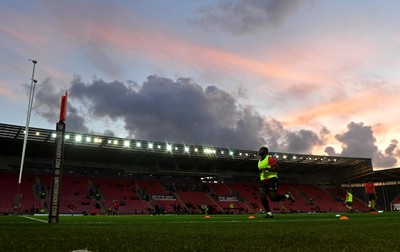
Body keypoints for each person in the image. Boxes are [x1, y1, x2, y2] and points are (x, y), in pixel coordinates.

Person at [257, 146, 295, 218]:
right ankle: (269, 213)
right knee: (262, 197)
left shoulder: (269, 159)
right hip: (263, 181)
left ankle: (287, 196)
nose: (259, 150)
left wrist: (266, 169)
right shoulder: (259, 162)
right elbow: (261, 171)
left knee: (273, 198)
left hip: (272, 179)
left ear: (265, 152)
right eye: (259, 149)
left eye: (261, 149)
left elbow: (276, 168)